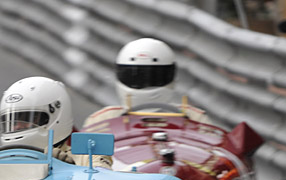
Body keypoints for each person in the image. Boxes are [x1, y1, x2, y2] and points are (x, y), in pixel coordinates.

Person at [82, 37, 213, 127]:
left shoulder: (194, 118)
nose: (145, 83)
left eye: (154, 76)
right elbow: (84, 160)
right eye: (135, 77)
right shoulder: (103, 120)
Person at [0, 77, 112, 169]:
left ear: (55, 115)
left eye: (26, 119)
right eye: (12, 121)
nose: (17, 126)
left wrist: (69, 170)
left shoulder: (88, 157)